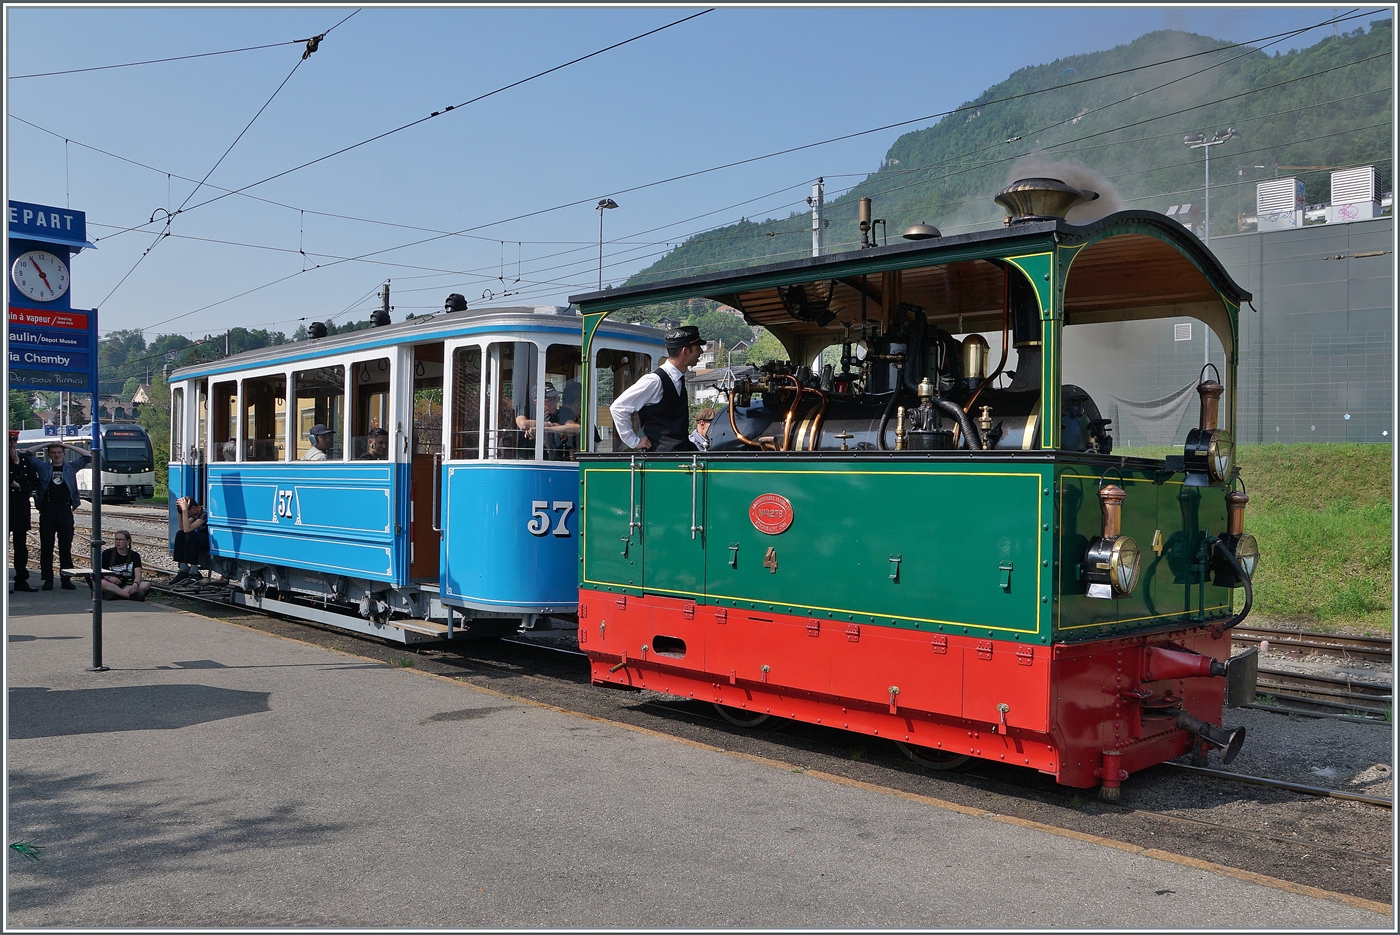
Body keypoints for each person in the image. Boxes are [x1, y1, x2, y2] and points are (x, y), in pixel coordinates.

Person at [609, 325, 705, 452]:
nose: (701, 352)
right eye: (698, 348)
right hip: (661, 461)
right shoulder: (654, 381)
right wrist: (634, 441)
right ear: (685, 351)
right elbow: (618, 408)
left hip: (678, 455)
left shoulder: (678, 378)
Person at [34, 442, 82, 590]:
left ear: (63, 454)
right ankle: (48, 579)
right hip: (48, 510)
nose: (56, 455)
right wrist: (47, 444)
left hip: (65, 509)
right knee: (47, 546)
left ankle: (66, 579)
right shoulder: (44, 468)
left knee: (65, 546)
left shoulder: (70, 467)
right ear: (49, 455)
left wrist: (68, 446)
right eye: (53, 452)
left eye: (59, 452)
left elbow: (88, 455)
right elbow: (26, 454)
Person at [8, 432, 40, 591]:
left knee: (21, 546)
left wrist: (19, 485)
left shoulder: (24, 461)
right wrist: (13, 465)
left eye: (14, 441)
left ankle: (21, 579)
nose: (12, 444)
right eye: (9, 441)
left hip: (20, 507)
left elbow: (34, 483)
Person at [100, 530, 151, 601]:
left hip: (128, 585)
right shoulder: (107, 553)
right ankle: (129, 596)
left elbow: (138, 574)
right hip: (110, 583)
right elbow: (99, 570)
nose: (118, 542)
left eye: (121, 540)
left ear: (128, 541)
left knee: (146, 585)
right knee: (101, 583)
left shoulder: (135, 555)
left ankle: (116, 594)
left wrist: (135, 584)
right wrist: (109, 578)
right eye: (116, 539)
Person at [171, 497, 209, 585]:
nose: (187, 515)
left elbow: (187, 529)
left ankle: (194, 573)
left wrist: (184, 510)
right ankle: (183, 569)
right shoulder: (195, 514)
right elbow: (182, 528)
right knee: (180, 534)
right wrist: (180, 511)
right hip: (201, 540)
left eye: (187, 512)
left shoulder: (204, 514)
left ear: (193, 508)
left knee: (190, 536)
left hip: (210, 541)